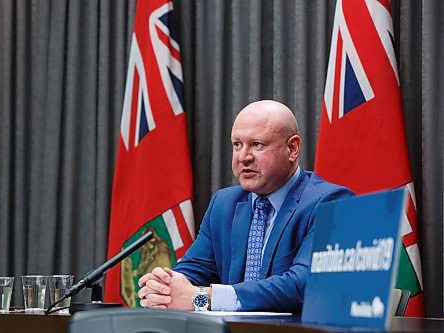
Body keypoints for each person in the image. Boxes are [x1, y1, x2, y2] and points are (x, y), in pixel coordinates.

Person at [137, 100, 353, 312]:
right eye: (237, 144)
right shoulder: (224, 204)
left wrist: (203, 298)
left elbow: (303, 285)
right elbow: (194, 270)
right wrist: (164, 287)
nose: (243, 157)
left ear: (292, 148)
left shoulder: (330, 202)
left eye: (257, 145)